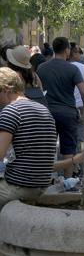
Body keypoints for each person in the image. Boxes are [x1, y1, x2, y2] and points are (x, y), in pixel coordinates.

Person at [0, 68, 57, 209]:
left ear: (6, 89)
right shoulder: (44, 110)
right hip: (41, 186)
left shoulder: (10, 111)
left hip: (17, 188)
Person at [37, 37, 84, 178]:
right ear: (67, 50)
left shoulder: (42, 68)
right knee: (68, 149)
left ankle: (46, 179)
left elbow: (38, 89)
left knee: (47, 148)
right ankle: (68, 182)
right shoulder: (73, 69)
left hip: (46, 113)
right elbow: (83, 92)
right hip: (68, 113)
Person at [69, 44, 84, 151]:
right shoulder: (83, 68)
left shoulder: (63, 66)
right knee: (80, 138)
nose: (80, 54)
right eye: (79, 51)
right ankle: (79, 164)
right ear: (73, 53)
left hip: (67, 106)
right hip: (80, 106)